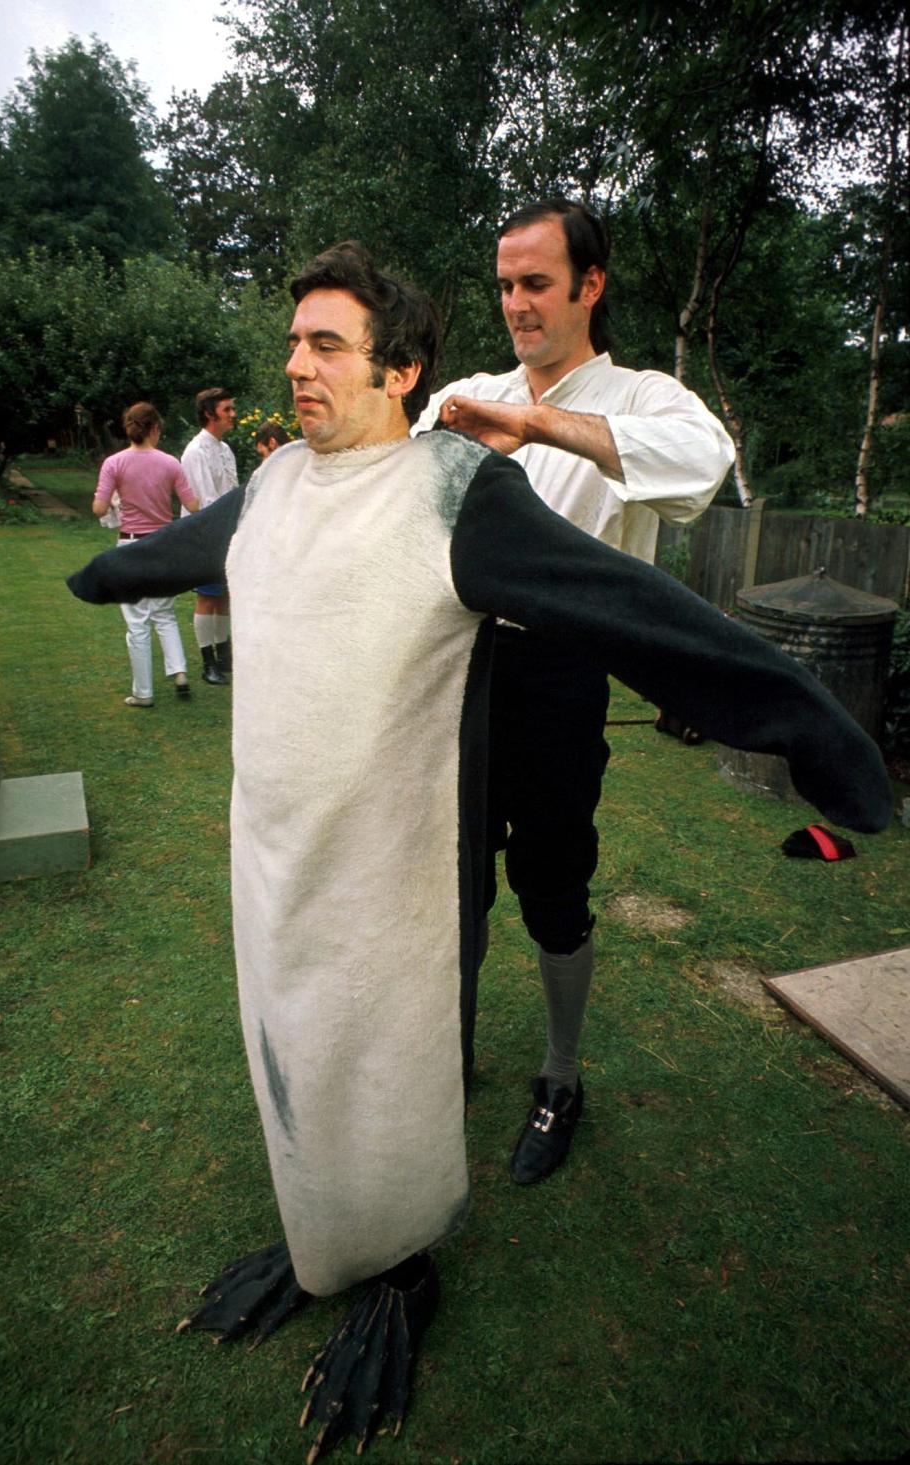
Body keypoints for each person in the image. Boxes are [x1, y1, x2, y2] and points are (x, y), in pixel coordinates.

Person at [67, 242, 890, 1461]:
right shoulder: (279, 483)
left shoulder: (453, 489)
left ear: (400, 369)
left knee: (384, 1033)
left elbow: (636, 607)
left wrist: (821, 738)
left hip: (384, 854)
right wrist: (103, 572)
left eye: (327, 344)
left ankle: (400, 1266)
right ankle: (321, 1240)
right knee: (288, 1034)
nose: (295, 365)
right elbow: (182, 554)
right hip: (269, 859)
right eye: (294, 341)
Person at [416, 198, 737, 1184]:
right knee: (452, 879)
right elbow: (401, 479)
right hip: (458, 669)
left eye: (536, 283)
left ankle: (561, 1076)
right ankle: (450, 1050)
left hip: (560, 674)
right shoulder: (468, 390)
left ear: (589, 286)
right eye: (505, 283)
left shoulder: (642, 398)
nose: (515, 302)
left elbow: (706, 468)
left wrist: (540, 423)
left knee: (551, 885)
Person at [91, 401, 199, 707]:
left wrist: (113, 502)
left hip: (131, 546)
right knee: (164, 613)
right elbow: (193, 506)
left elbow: (98, 508)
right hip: (163, 545)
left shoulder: (114, 464)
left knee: (137, 622)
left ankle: (143, 693)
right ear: (155, 428)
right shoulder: (170, 463)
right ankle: (179, 673)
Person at [180, 387, 238, 684]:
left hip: (226, 533)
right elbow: (203, 500)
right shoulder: (196, 451)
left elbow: (231, 491)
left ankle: (224, 653)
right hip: (203, 535)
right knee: (207, 597)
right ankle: (208, 662)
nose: (232, 414)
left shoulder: (224, 449)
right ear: (208, 413)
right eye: (226, 409)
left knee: (224, 596)